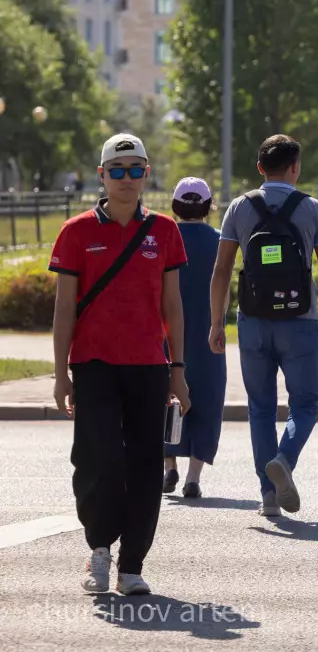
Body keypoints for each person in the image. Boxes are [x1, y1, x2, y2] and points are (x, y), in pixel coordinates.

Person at [50, 133, 190, 596]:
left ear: (146, 174)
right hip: (93, 366)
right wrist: (59, 374)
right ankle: (99, 551)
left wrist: (179, 369)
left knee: (146, 465)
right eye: (118, 170)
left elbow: (173, 306)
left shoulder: (165, 230)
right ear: (102, 175)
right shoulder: (76, 232)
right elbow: (64, 309)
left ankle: (133, 564)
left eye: (136, 170)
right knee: (98, 461)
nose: (127, 179)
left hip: (149, 365)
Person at [209, 135, 318, 518]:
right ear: (295, 167)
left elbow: (221, 270)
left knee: (261, 408)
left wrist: (216, 323)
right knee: (305, 403)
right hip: (300, 321)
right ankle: (285, 458)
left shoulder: (239, 207)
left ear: (260, 169)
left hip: (252, 322)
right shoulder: (312, 209)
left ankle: (268, 496)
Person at [163, 177, 227, 499]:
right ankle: (193, 477)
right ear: (208, 206)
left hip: (167, 336)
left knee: (166, 400)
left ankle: (169, 466)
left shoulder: (163, 237)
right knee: (207, 402)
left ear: (175, 206)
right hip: (208, 334)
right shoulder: (219, 241)